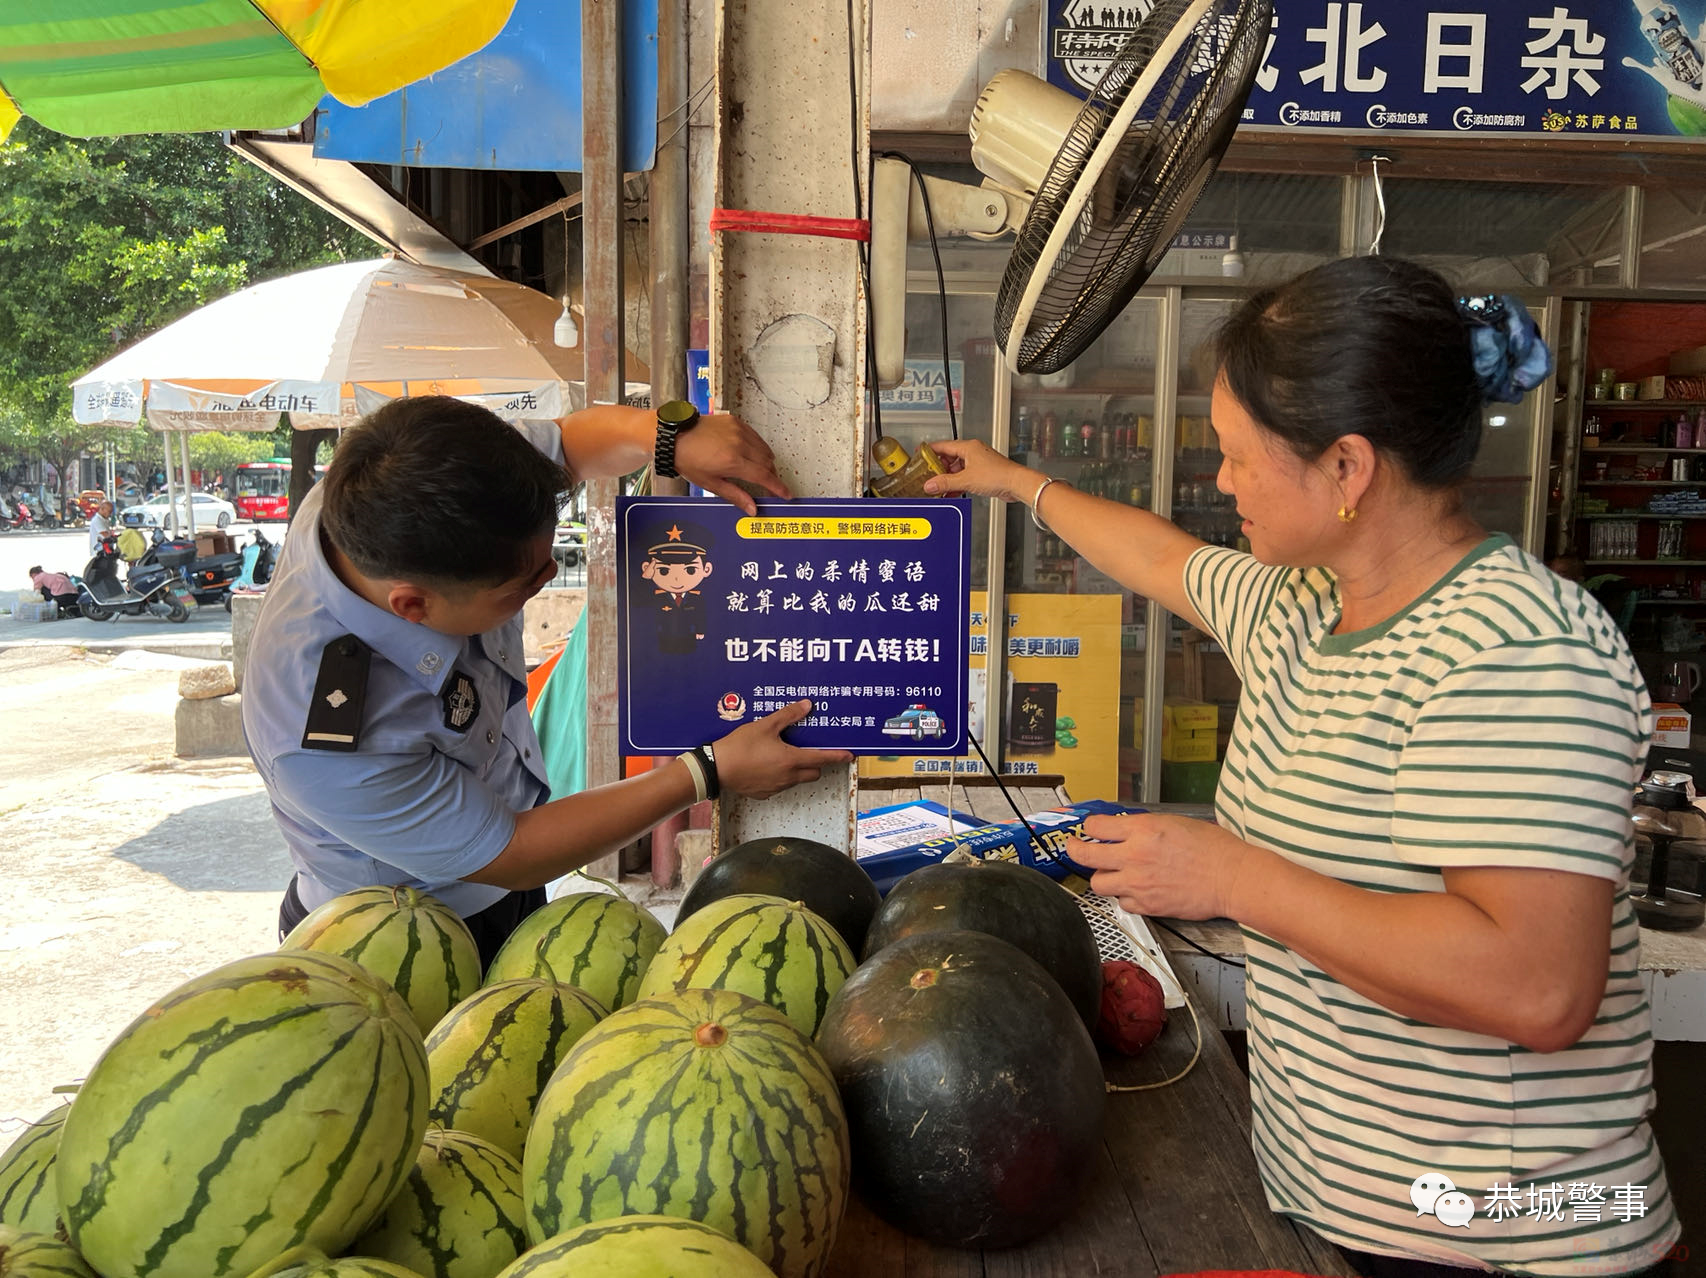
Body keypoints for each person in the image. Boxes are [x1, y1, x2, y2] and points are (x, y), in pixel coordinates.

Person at [926, 256, 1679, 1278]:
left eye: (1236, 455)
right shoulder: (1300, 607)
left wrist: (1231, 878)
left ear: (1346, 469)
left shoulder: (1512, 649)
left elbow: (1537, 986)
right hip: (1348, 1212)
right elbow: (1152, 556)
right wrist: (1010, 480)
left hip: (1502, 1241)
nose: (1220, 479)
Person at [242, 396, 850, 966]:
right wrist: (707, 772)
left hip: (500, 886)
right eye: (523, 587)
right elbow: (512, 852)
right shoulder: (327, 733)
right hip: (397, 938)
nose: (549, 576)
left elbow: (562, 446)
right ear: (413, 607)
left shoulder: (398, 490)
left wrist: (666, 438)